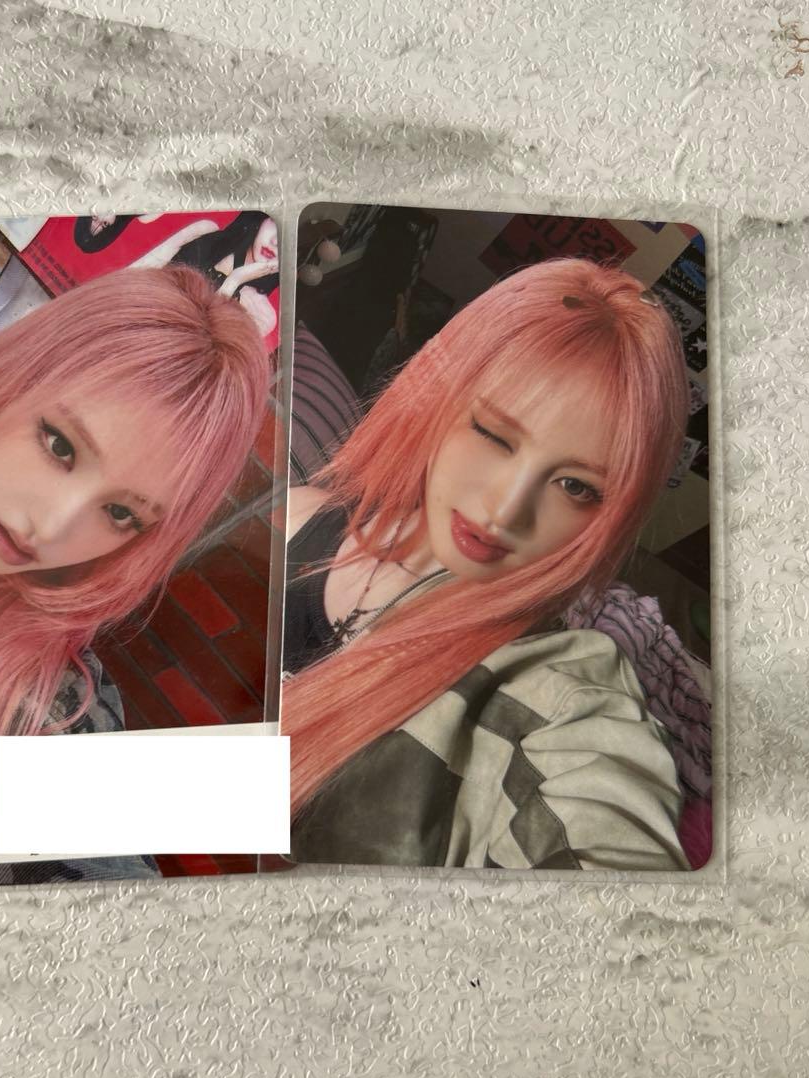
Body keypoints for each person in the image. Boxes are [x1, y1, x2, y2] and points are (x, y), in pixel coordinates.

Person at [0, 264, 270, 875]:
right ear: (15, 380)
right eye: (60, 446)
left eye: (121, 514)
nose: (49, 528)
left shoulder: (52, 709)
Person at [281, 258, 695, 871]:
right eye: (495, 435)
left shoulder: (552, 692)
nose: (505, 511)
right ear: (437, 395)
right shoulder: (292, 519)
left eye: (576, 487)